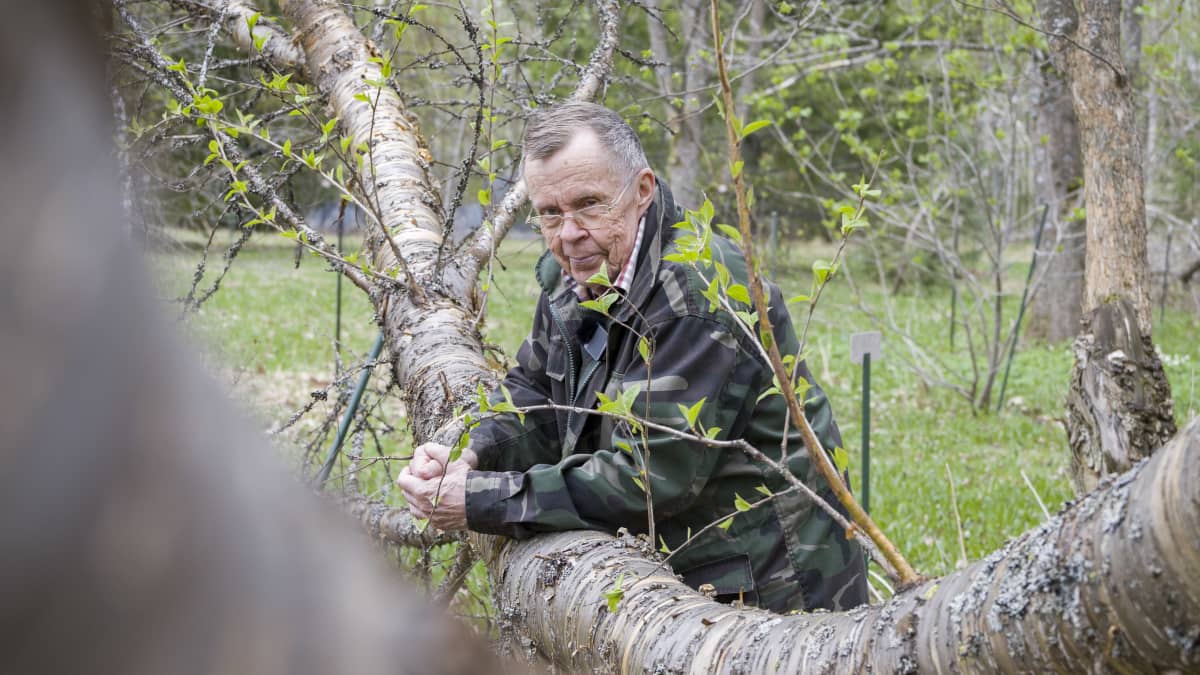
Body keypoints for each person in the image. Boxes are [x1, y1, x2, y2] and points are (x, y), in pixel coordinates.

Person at [398, 102, 866, 613]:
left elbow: (645, 480)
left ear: (642, 190)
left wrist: (481, 499)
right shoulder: (574, 268)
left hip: (776, 581)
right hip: (697, 561)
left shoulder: (696, 299)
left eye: (589, 204)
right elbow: (534, 393)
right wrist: (472, 452)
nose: (568, 233)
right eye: (549, 213)